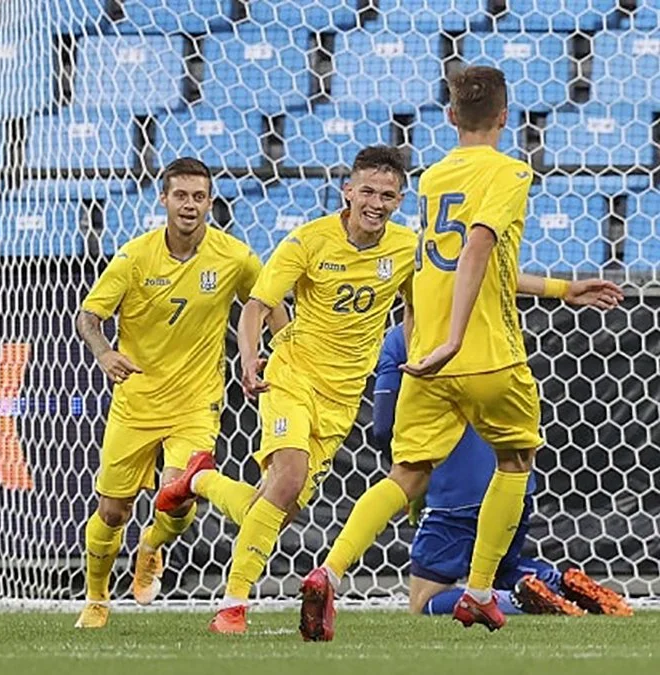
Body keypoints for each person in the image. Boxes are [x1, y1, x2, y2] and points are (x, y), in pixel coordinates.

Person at [299, 66, 625, 640]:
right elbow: (477, 246)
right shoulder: (510, 171)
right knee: (515, 461)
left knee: (407, 474)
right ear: (505, 116)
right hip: (484, 352)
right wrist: (456, 337)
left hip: (424, 354)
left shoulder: (433, 177)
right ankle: (478, 592)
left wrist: (560, 289)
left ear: (450, 116)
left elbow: (458, 262)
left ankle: (330, 569)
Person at [158, 145, 418, 634]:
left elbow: (414, 307)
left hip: (342, 398)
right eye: (367, 191)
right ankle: (232, 607)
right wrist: (248, 358)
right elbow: (256, 305)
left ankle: (199, 481)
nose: (376, 204)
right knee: (289, 477)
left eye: (388, 196)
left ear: (400, 200)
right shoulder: (308, 241)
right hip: (293, 376)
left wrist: (415, 356)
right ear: (348, 191)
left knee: (278, 508)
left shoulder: (407, 248)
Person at [73, 157, 288, 628]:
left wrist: (283, 351)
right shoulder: (134, 257)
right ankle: (96, 597)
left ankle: (151, 545)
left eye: (198, 197)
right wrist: (104, 352)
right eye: (181, 196)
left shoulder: (234, 257)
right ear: (164, 199)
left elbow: (266, 302)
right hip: (136, 402)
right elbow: (88, 316)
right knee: (112, 511)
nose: (189, 205)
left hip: (196, 402)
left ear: (210, 202)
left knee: (180, 493)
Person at [375, 324, 632, 618]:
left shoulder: (403, 337)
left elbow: (383, 428)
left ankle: (520, 601)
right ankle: (558, 582)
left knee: (423, 601)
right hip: (515, 483)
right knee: (500, 568)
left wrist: (410, 481)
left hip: (454, 495)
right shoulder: (495, 326)